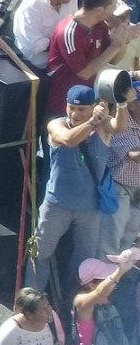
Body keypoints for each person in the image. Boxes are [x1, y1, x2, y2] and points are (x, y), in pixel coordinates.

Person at [28, 84, 131, 290]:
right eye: (70, 108)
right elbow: (68, 140)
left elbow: (120, 127)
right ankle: (32, 298)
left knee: (84, 262)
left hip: (89, 210)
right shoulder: (56, 124)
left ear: (93, 106)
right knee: (40, 255)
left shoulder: (103, 127)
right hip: (56, 204)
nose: (74, 114)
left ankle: (71, 301)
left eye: (81, 109)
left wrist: (121, 102)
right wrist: (92, 120)